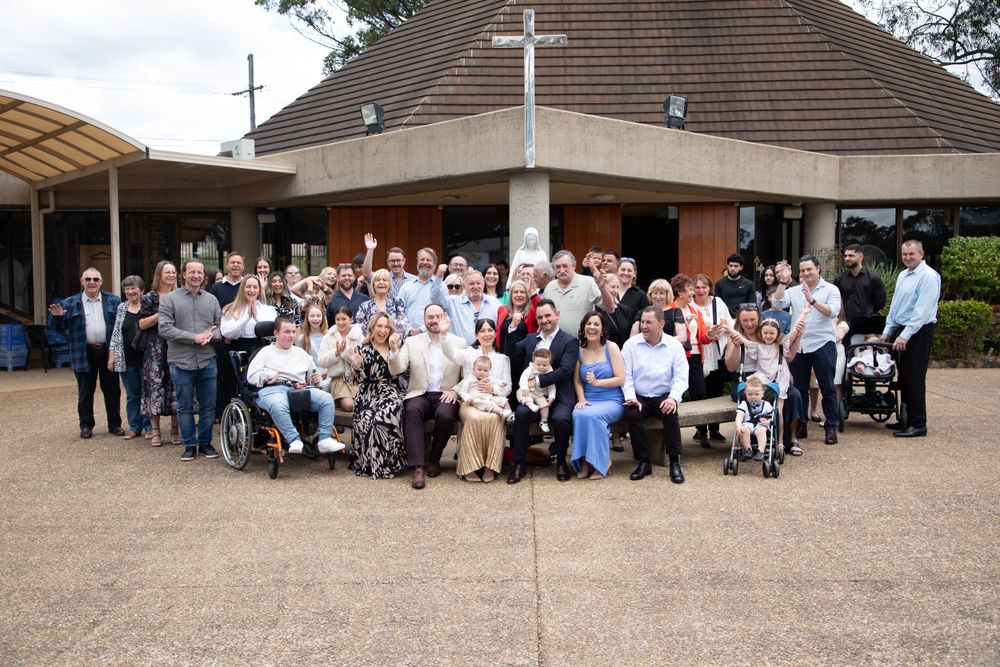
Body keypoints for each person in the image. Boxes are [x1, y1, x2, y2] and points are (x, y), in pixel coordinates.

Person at [388, 303, 467, 489]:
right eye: (430, 317)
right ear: (424, 320)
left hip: (446, 394)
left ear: (445, 317)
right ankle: (418, 468)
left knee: (446, 416)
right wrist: (394, 351)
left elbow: (467, 376)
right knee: (412, 411)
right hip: (419, 393)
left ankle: (434, 459)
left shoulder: (459, 343)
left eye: (438, 316)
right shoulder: (412, 342)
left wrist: (456, 390)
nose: (434, 320)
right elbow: (397, 369)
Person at [505, 299, 580, 484]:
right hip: (532, 397)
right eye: (540, 317)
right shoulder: (531, 339)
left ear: (557, 315)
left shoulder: (569, 341)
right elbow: (512, 352)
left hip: (558, 396)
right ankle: (519, 463)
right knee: (521, 413)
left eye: (548, 315)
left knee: (561, 419)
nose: (544, 320)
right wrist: (512, 328)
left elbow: (566, 370)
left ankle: (561, 462)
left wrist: (536, 381)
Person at [247, 316, 344, 455]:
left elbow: (312, 375)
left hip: (299, 388)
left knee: (326, 399)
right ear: (276, 333)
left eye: (293, 331)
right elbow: (251, 376)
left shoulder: (301, 353)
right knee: (278, 405)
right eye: (287, 332)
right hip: (273, 389)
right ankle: (294, 440)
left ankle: (324, 439)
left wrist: (316, 379)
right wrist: (267, 375)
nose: (291, 335)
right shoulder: (265, 352)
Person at [773, 256, 843, 445]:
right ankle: (802, 425)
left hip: (823, 343)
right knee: (800, 389)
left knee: (827, 388)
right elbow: (777, 303)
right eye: (802, 270)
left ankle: (830, 427)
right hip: (800, 345)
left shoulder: (831, 289)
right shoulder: (794, 290)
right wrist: (782, 281)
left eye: (809, 269)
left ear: (818, 268)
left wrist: (812, 300)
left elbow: (833, 312)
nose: (805, 273)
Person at [158, 259, 222, 462]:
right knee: (184, 405)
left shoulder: (212, 300)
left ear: (204, 276)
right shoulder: (170, 300)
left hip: (207, 359)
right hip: (181, 361)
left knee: (208, 406)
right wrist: (194, 338)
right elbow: (164, 328)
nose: (196, 276)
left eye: (199, 272)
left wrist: (211, 336)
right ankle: (189, 445)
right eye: (192, 272)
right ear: (183, 274)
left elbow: (220, 327)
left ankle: (205, 442)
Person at [48, 268, 123, 440]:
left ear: (101, 282)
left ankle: (115, 424)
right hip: (83, 351)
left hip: (108, 351)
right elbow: (56, 328)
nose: (92, 282)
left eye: (95, 279)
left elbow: (121, 327)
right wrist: (57, 318)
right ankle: (86, 426)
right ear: (82, 282)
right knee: (85, 391)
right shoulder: (70, 303)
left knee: (113, 390)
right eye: (88, 279)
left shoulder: (114, 301)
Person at [725, 303, 806, 455]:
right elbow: (731, 365)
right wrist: (732, 337)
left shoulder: (772, 338)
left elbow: (790, 350)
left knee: (794, 395)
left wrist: (800, 329)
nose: (749, 324)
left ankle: (789, 439)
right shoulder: (744, 340)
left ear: (759, 319)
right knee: (755, 393)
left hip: (777, 378)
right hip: (754, 378)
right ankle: (756, 433)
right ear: (739, 321)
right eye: (745, 320)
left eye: (752, 319)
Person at [441, 317, 513, 483]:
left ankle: (489, 467)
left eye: (490, 330)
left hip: (493, 400)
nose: (487, 334)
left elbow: (508, 386)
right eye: (482, 331)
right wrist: (444, 334)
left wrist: (493, 389)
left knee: (495, 418)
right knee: (475, 418)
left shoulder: (503, 359)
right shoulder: (469, 353)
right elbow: (451, 353)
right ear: (476, 334)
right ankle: (470, 467)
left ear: (495, 333)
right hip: (470, 401)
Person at [880, 239, 941, 438]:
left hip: (918, 331)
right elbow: (895, 306)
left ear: (921, 254)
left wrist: (905, 335)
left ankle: (918, 423)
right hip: (901, 329)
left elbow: (921, 312)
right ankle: (905, 419)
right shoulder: (903, 275)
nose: (907, 258)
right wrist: (888, 331)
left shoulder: (928, 276)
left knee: (914, 377)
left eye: (911, 254)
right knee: (904, 376)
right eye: (904, 254)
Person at [622, 306, 689, 483]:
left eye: (648, 322)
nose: (643, 326)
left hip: (663, 395)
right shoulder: (630, 345)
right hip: (639, 396)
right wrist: (631, 397)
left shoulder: (674, 346)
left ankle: (674, 463)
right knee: (632, 413)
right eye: (642, 322)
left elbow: (681, 377)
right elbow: (626, 376)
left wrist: (673, 397)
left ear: (661, 324)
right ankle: (644, 462)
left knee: (670, 411)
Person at [343, 312, 408, 478]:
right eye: (379, 326)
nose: (383, 330)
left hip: (392, 391)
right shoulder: (362, 349)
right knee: (367, 420)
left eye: (386, 327)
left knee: (382, 418)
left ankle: (387, 465)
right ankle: (368, 465)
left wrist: (395, 351)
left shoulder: (398, 348)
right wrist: (356, 366)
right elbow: (351, 380)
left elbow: (405, 373)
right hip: (368, 392)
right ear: (372, 328)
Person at [571, 310, 625, 479]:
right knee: (578, 413)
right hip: (589, 398)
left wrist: (598, 382)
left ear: (602, 329)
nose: (592, 327)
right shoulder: (579, 350)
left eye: (596, 324)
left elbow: (621, 379)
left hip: (612, 399)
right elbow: (577, 381)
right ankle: (584, 462)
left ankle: (602, 462)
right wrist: (581, 399)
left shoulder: (611, 347)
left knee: (593, 416)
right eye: (588, 324)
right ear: (583, 328)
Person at [138, 261, 180, 447]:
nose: (171, 275)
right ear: (159, 275)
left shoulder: (181, 295)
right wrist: (160, 313)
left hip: (177, 346)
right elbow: (141, 324)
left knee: (177, 387)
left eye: (173, 272)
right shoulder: (149, 298)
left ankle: (175, 430)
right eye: (167, 272)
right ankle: (155, 432)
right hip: (154, 349)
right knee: (154, 388)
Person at [670, 273, 713, 447]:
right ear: (680, 292)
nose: (693, 293)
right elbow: (667, 336)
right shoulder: (670, 310)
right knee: (673, 395)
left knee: (700, 394)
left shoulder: (695, 311)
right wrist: (684, 325)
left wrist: (711, 334)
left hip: (695, 357)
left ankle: (703, 432)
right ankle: (671, 436)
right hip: (676, 357)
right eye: (689, 289)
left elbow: (702, 338)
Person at [692, 274, 733, 443]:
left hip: (717, 352)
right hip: (699, 353)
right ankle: (701, 430)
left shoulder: (718, 302)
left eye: (704, 287)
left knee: (716, 391)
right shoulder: (690, 305)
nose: (701, 290)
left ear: (710, 288)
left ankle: (714, 429)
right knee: (700, 393)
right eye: (697, 287)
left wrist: (722, 330)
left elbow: (729, 322)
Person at [109, 275, 150, 440]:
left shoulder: (148, 306)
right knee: (132, 395)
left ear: (142, 290)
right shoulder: (122, 308)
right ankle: (134, 427)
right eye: (127, 289)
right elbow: (116, 333)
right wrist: (112, 355)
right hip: (126, 359)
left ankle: (149, 427)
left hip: (147, 359)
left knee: (147, 394)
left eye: (134, 288)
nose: (131, 291)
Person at [543, 250, 614, 336]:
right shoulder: (549, 287)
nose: (561, 270)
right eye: (558, 267)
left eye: (565, 266)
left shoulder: (588, 282)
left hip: (581, 342)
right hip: (554, 342)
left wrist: (603, 288)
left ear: (574, 266)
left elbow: (610, 308)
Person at [317, 306, 364, 412]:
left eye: (344, 319)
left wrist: (344, 352)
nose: (340, 322)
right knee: (349, 405)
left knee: (364, 402)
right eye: (337, 319)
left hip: (357, 379)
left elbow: (363, 361)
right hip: (338, 380)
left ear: (351, 319)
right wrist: (336, 352)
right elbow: (321, 361)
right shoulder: (329, 336)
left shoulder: (359, 336)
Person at [434, 270, 500, 345]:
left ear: (483, 284)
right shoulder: (453, 302)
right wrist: (438, 278)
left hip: (488, 350)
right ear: (464, 286)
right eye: (471, 284)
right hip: (460, 350)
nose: (475, 286)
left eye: (478, 283)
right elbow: (435, 299)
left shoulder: (495, 303)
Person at [220, 276, 277, 353]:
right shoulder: (230, 309)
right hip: (239, 350)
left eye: (255, 287)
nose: (252, 290)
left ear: (259, 290)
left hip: (263, 350)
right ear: (242, 289)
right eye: (248, 287)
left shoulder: (269, 309)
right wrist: (247, 317)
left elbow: (273, 331)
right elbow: (227, 333)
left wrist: (256, 317)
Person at [834, 244, 888, 325]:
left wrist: (868, 312)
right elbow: (835, 300)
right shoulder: (839, 279)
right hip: (844, 324)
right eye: (845, 256)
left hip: (865, 324)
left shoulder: (873, 278)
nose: (847, 258)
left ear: (861, 257)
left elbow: (881, 302)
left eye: (851, 256)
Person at [397, 247, 442, 336]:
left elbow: (443, 313)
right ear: (417, 262)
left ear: (435, 264)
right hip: (408, 337)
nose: (424, 262)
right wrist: (409, 329)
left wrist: (421, 330)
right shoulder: (406, 287)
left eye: (428, 260)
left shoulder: (441, 287)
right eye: (422, 259)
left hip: (432, 336)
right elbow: (399, 311)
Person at [361, 234, 416, 301]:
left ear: (404, 261)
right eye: (393, 261)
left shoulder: (413, 279)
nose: (396, 264)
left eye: (398, 260)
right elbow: (366, 273)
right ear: (388, 262)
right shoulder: (382, 278)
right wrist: (370, 250)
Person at [354, 268, 408, 336]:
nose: (381, 282)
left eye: (385, 280)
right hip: (372, 341)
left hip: (393, 340)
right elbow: (359, 327)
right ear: (373, 285)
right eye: (378, 280)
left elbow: (403, 324)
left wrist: (377, 325)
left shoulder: (397, 302)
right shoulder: (364, 306)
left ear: (389, 284)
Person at [733, 377, 774, 462]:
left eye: (756, 394)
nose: (753, 397)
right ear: (745, 393)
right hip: (747, 424)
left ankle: (760, 451)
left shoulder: (766, 405)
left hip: (760, 425)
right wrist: (738, 426)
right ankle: (748, 449)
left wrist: (768, 422)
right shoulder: (744, 404)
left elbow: (771, 418)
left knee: (762, 430)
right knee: (743, 429)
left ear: (762, 393)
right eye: (750, 394)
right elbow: (739, 417)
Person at [517, 348, 556, 432]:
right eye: (538, 364)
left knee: (545, 405)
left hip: (539, 394)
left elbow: (552, 386)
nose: (541, 367)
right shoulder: (530, 368)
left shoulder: (550, 372)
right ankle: (531, 404)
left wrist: (551, 396)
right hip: (528, 391)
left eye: (544, 365)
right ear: (534, 362)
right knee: (524, 396)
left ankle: (543, 421)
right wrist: (524, 389)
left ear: (549, 363)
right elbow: (523, 379)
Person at [296, 302, 330, 390]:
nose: (315, 319)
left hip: (328, 375)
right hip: (310, 376)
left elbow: (334, 361)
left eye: (318, 316)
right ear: (307, 318)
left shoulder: (329, 336)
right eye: (312, 316)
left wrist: (323, 375)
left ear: (323, 318)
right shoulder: (301, 339)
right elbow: (299, 362)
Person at [496, 279, 536, 350]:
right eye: (516, 292)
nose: (519, 295)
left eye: (522, 292)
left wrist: (532, 292)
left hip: (524, 355)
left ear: (527, 295)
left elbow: (541, 306)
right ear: (511, 295)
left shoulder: (532, 311)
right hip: (503, 354)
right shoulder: (502, 310)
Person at [714, 253, 757, 318]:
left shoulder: (749, 284)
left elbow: (752, 305)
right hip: (725, 319)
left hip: (743, 319)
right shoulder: (719, 284)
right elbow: (717, 305)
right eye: (731, 265)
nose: (733, 268)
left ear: (741, 267)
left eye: (736, 266)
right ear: (727, 266)